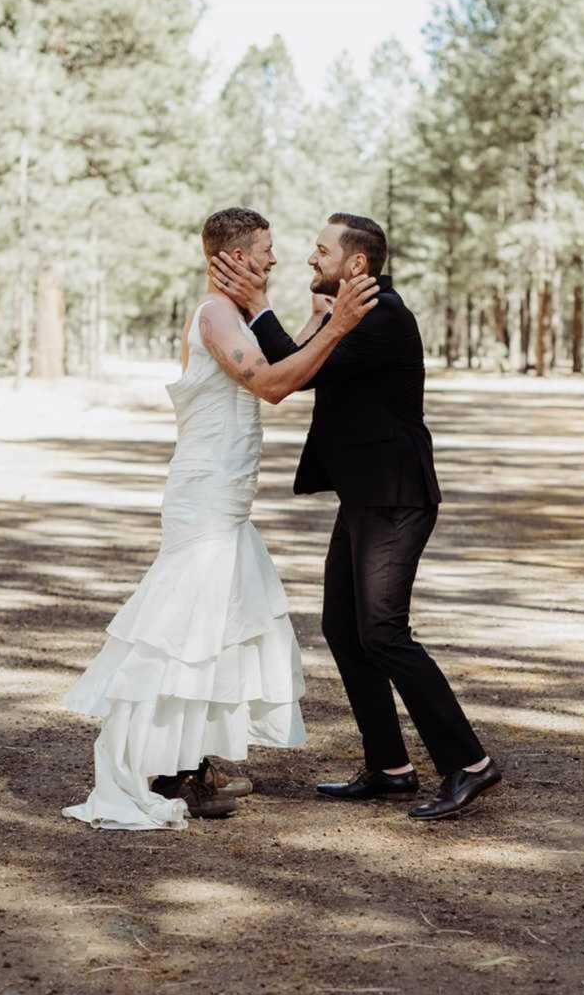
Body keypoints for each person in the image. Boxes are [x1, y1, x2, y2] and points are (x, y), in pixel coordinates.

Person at [61, 208, 378, 830]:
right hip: (204, 495)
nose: (273, 259)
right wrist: (335, 328)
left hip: (229, 498)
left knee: (218, 627)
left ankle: (189, 765)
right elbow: (269, 384)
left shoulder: (236, 315)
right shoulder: (213, 316)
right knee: (181, 627)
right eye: (264, 248)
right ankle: (149, 767)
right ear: (231, 257)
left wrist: (319, 325)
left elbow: (292, 363)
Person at [210, 213, 501, 821]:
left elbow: (297, 371)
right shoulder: (357, 313)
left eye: (321, 251)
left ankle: (469, 763)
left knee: (384, 632)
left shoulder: (381, 317)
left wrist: (260, 305)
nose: (311, 260)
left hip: (396, 497)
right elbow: (303, 360)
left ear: (357, 264)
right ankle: (390, 766)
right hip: (366, 495)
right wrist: (287, 314)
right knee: (344, 627)